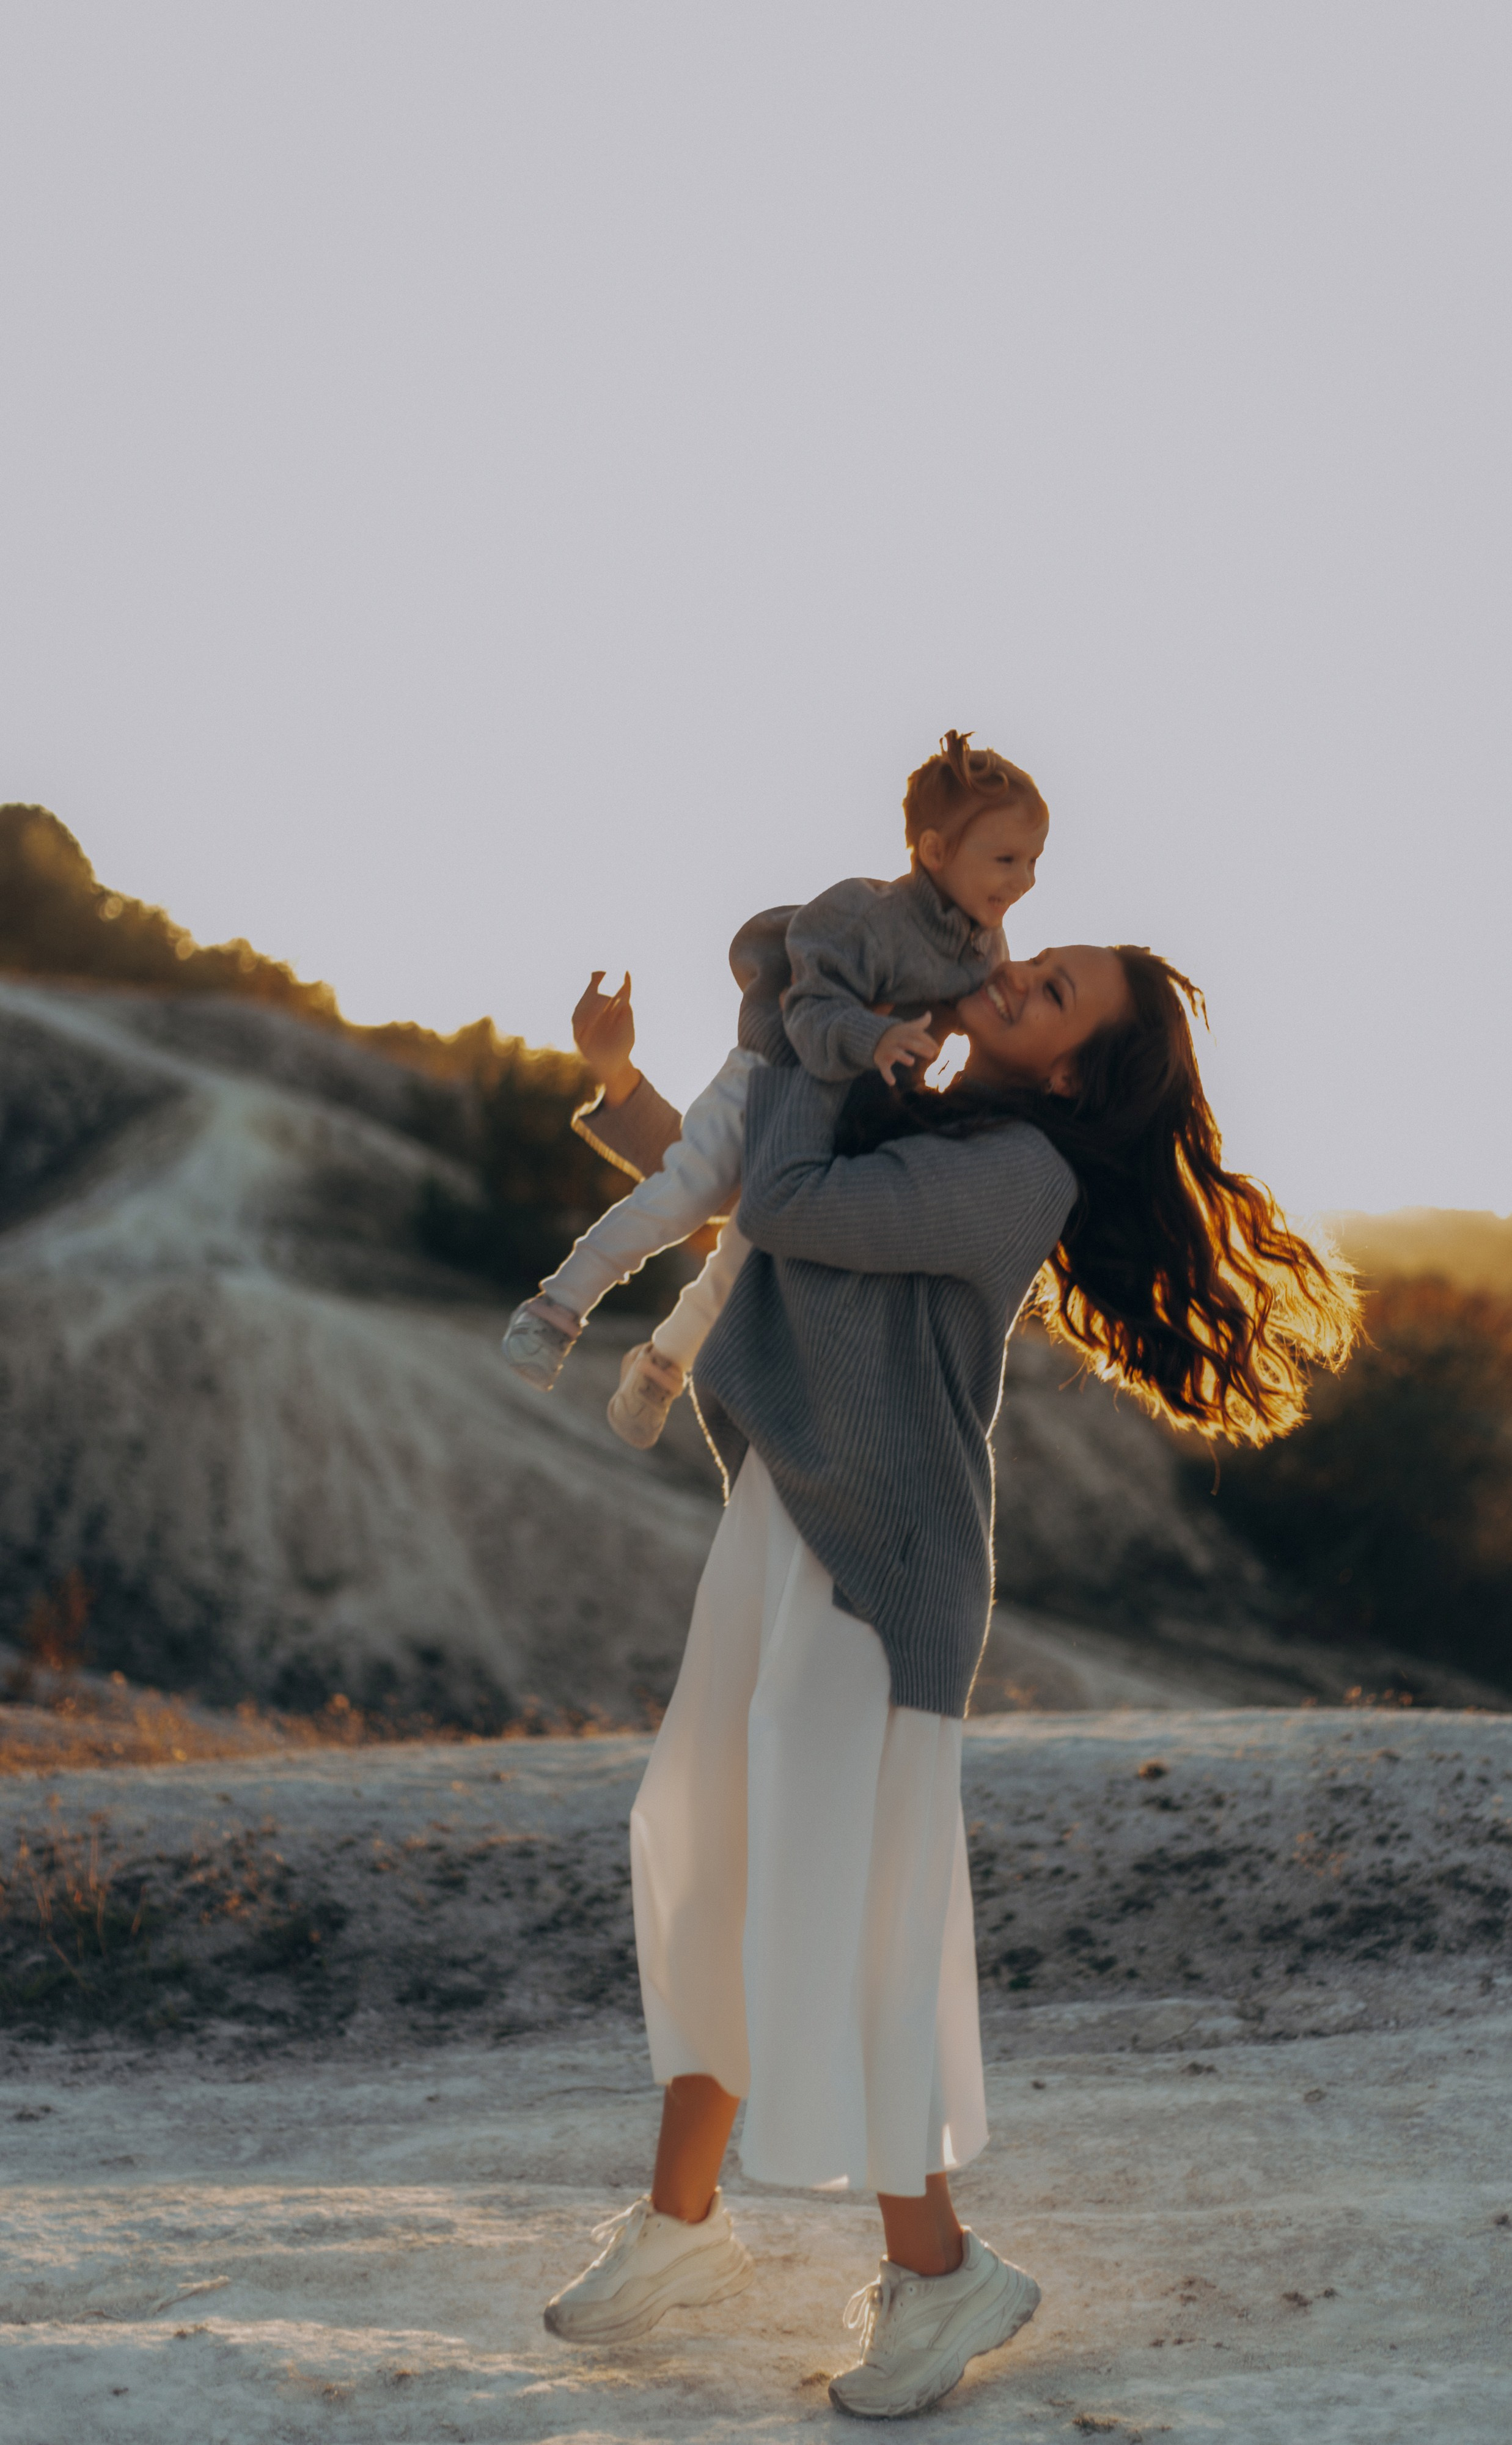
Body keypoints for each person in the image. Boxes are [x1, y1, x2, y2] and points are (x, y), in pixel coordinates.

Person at [538, 945, 1357, 2417]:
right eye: (1040, 961)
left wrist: (816, 1021)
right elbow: (744, 1187)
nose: (1018, 973)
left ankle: (942, 2273)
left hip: (885, 1569)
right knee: (707, 1859)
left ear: (1073, 1072)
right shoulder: (917, 1109)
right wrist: (621, 1081)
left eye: (1055, 995)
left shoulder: (1017, 1174)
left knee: (853, 1917)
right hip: (783, 1521)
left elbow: (794, 1196)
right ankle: (680, 2228)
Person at [500, 731, 1048, 1445]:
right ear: (935, 851)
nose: (1025, 880)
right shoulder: (864, 915)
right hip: (764, 1078)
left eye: (1034, 861)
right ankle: (554, 1309)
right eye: (1006, 859)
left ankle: (662, 1366)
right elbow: (806, 1006)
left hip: (827, 1122)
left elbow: (963, 1033)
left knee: (749, 1249)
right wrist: (872, 1037)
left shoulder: (986, 946)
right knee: (685, 1191)